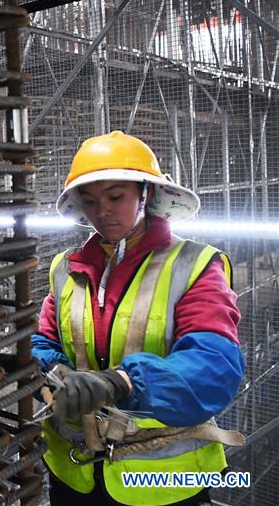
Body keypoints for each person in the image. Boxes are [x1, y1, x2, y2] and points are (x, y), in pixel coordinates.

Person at [31, 131, 244, 506]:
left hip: (162, 482)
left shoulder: (193, 266)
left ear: (146, 193)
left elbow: (215, 367)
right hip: (76, 473)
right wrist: (54, 373)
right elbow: (45, 342)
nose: (102, 211)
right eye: (90, 200)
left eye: (116, 196)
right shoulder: (66, 269)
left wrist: (123, 382)